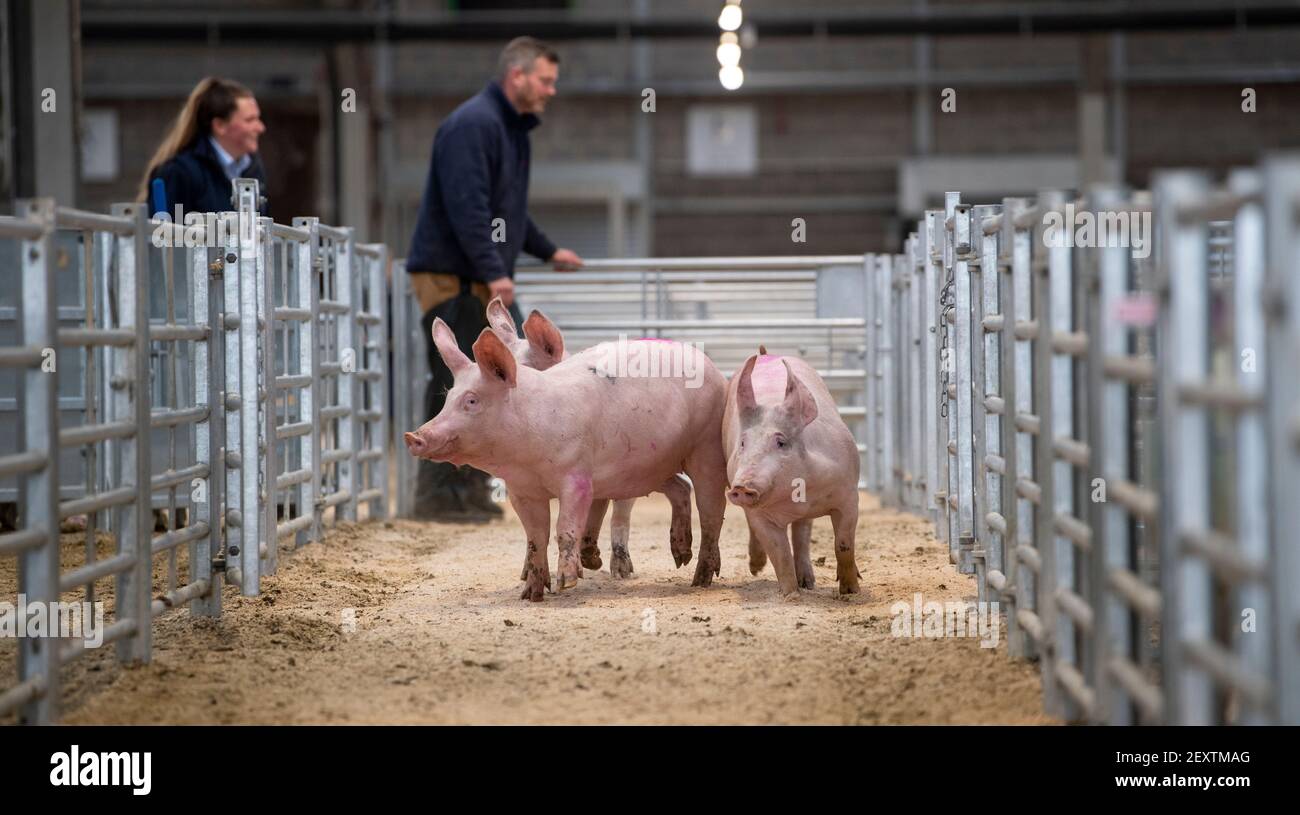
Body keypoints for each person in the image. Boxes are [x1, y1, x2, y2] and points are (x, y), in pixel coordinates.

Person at [406, 36, 583, 522]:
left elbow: (509, 215)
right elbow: (470, 209)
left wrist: (547, 251)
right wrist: (493, 271)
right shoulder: (473, 125)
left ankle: (474, 490)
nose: (550, 91)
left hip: (478, 278)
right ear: (518, 76)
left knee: (508, 375)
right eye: (545, 81)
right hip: (456, 279)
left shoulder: (509, 131)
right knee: (462, 381)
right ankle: (440, 497)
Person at [139, 77, 268, 217]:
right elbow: (161, 234)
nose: (261, 128)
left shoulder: (253, 169)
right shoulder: (179, 172)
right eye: (250, 120)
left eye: (258, 118)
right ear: (220, 126)